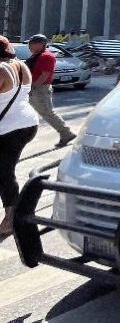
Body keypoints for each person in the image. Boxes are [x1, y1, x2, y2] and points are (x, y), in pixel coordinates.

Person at [0, 36, 38, 243]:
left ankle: (11, 219)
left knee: (5, 173)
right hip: (27, 123)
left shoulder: (1, 69)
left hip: (9, 129)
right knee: (5, 171)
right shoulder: (22, 66)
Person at [25, 35, 76, 147]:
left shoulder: (46, 56)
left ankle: (66, 133)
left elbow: (45, 75)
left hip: (39, 89)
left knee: (47, 113)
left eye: (32, 43)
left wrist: (33, 87)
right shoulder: (36, 55)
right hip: (33, 87)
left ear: (41, 44)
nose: (30, 46)